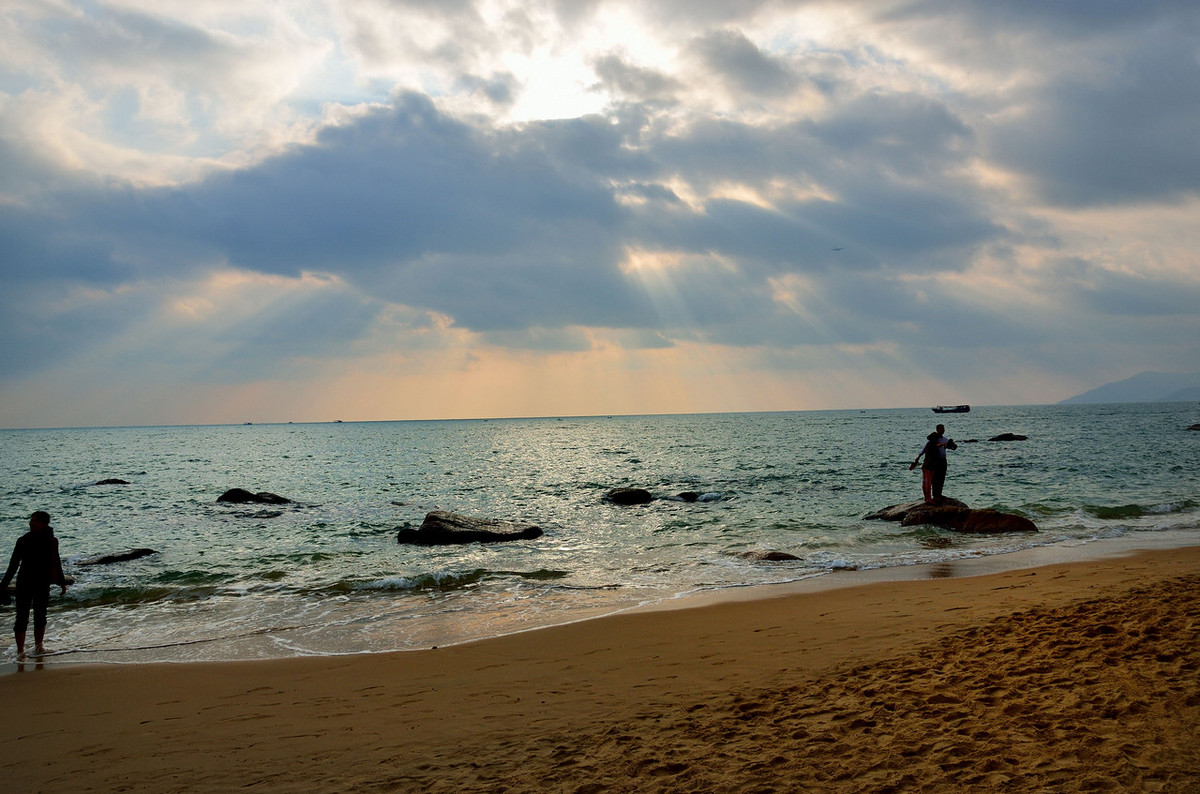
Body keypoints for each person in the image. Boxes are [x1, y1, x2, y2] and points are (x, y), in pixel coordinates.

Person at [0, 511, 68, 660]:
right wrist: (3, 585)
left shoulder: (52, 540)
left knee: (40, 615)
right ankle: (20, 652)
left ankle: (39, 647)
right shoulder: (23, 540)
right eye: (31, 520)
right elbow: (13, 565)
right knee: (21, 617)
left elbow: (56, 562)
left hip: (42, 582)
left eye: (35, 521)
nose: (31, 523)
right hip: (24, 581)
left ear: (44, 523)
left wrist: (62, 582)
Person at [910, 432, 943, 503]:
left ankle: (926, 498)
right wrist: (944, 444)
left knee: (925, 483)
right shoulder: (932, 445)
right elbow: (938, 446)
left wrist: (917, 459)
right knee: (928, 483)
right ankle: (928, 499)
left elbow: (922, 452)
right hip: (929, 466)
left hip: (926, 465)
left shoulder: (928, 445)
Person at [931, 424, 958, 501]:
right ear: (937, 430)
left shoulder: (945, 439)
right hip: (935, 461)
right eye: (941, 429)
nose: (943, 430)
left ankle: (939, 494)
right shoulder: (933, 438)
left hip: (943, 460)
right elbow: (934, 446)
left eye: (943, 429)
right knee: (935, 478)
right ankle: (935, 495)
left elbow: (952, 447)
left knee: (942, 477)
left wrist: (954, 446)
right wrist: (943, 444)